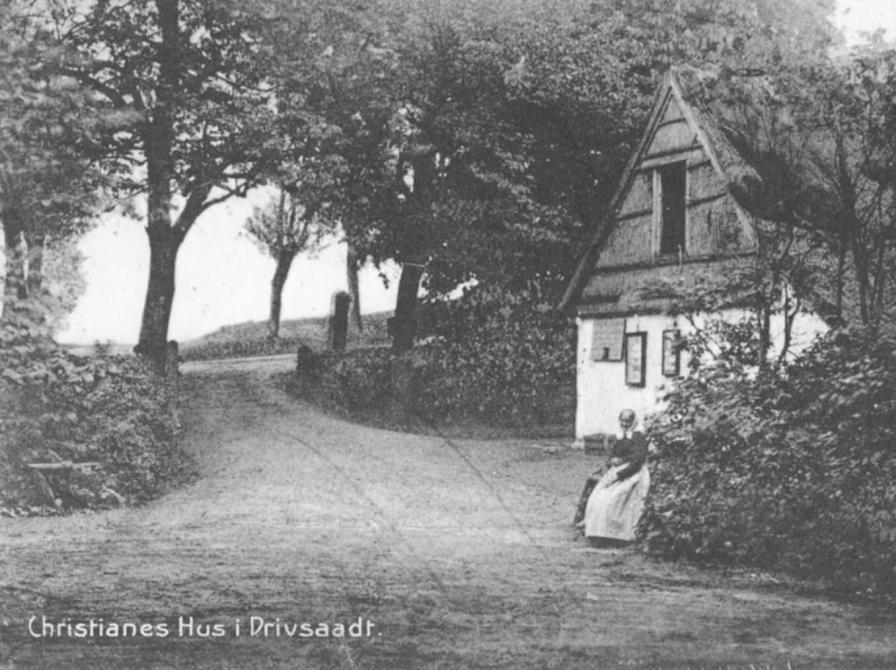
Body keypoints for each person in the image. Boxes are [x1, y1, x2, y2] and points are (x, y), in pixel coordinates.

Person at [572, 409, 650, 545]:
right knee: (598, 497)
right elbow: (613, 454)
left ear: (633, 422)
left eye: (628, 421)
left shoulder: (638, 437)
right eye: (622, 421)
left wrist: (619, 474)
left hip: (633, 474)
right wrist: (612, 460)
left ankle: (614, 534)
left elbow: (637, 462)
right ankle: (596, 530)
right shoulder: (621, 436)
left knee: (613, 499)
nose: (625, 424)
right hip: (617, 471)